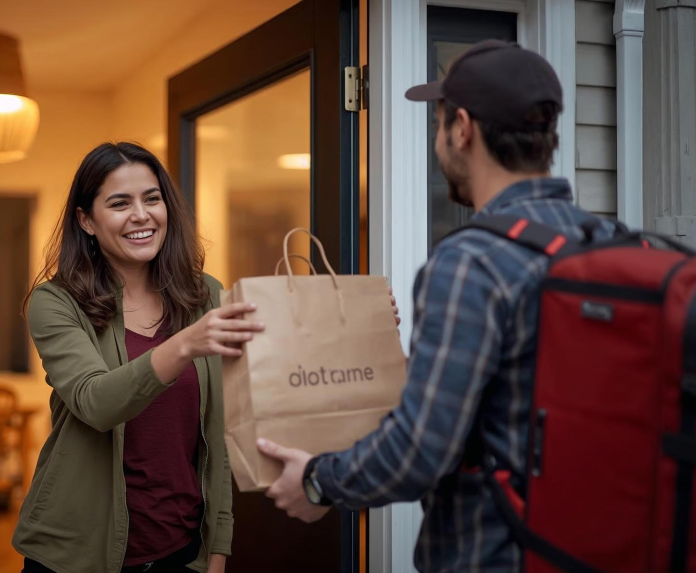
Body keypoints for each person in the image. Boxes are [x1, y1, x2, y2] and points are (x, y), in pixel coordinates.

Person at [257, 40, 619, 572]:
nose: (438, 139)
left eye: (439, 122)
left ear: (463, 129)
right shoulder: (610, 240)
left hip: (494, 552)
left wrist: (318, 481)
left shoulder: (471, 262)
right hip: (599, 542)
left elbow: (421, 449)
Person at [12, 141, 265, 573]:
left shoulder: (205, 295)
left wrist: (217, 547)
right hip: (75, 556)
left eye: (152, 198)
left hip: (181, 551)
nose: (142, 215)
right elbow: (96, 402)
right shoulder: (55, 303)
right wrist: (184, 344)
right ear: (86, 220)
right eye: (119, 203)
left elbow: (222, 428)